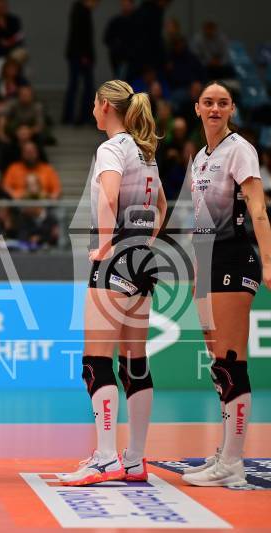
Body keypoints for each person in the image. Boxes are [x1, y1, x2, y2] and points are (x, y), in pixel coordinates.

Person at [59, 80, 166, 486]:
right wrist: (145, 241)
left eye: (94, 103)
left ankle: (105, 458)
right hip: (143, 260)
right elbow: (161, 205)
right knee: (135, 361)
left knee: (96, 361)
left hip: (115, 260)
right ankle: (134, 459)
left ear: (105, 105)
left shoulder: (111, 148)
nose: (92, 108)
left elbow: (108, 197)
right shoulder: (145, 151)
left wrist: (105, 245)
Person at [181, 81, 271, 487]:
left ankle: (233, 462)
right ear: (197, 108)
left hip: (235, 258)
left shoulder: (240, 149)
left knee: (231, 362)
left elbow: (259, 209)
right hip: (208, 263)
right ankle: (226, 451)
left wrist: (268, 262)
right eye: (208, 102)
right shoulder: (199, 157)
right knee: (219, 366)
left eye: (222, 103)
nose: (215, 108)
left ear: (232, 108)